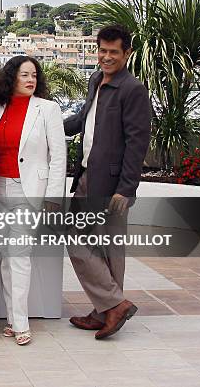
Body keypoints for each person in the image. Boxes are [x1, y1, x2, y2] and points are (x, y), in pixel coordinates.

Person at [64, 24, 151, 340]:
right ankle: (110, 307)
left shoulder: (133, 89)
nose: (107, 57)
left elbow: (137, 142)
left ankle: (109, 309)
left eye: (114, 52)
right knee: (81, 241)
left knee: (109, 250)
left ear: (127, 53)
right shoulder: (96, 80)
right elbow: (83, 121)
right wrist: (46, 122)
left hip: (114, 184)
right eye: (103, 50)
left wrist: (126, 189)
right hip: (87, 176)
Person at [0, 55, 66, 345]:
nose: (31, 79)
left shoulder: (47, 109)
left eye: (34, 74)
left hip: (28, 191)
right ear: (11, 78)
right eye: (24, 75)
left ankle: (21, 323)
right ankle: (12, 318)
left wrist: (53, 197)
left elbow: (58, 157)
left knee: (18, 257)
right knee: (3, 260)